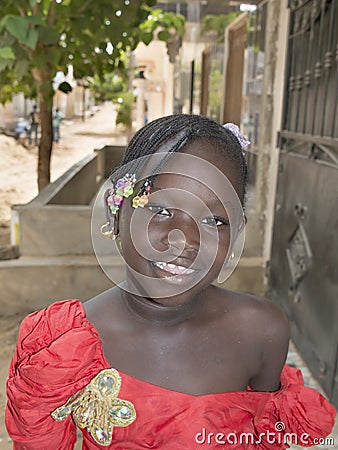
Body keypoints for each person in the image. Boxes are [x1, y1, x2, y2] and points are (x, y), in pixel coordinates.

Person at [6, 115, 335, 449]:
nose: (184, 239)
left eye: (213, 219)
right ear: (116, 213)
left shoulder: (262, 332)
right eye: (160, 210)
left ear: (236, 232)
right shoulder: (62, 347)